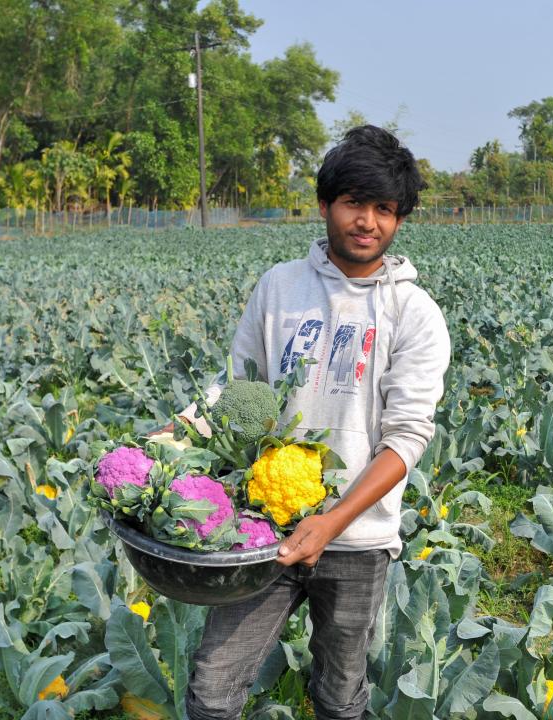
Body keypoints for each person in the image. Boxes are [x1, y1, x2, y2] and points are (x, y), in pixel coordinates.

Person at [183, 125, 451, 720]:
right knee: (212, 689)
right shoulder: (279, 287)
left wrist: (331, 522)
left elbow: (407, 437)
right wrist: (173, 437)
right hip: (261, 530)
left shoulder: (415, 313)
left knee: (339, 692)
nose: (368, 221)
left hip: (357, 538)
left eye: (385, 209)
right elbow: (235, 390)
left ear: (400, 219)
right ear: (326, 204)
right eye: (355, 202)